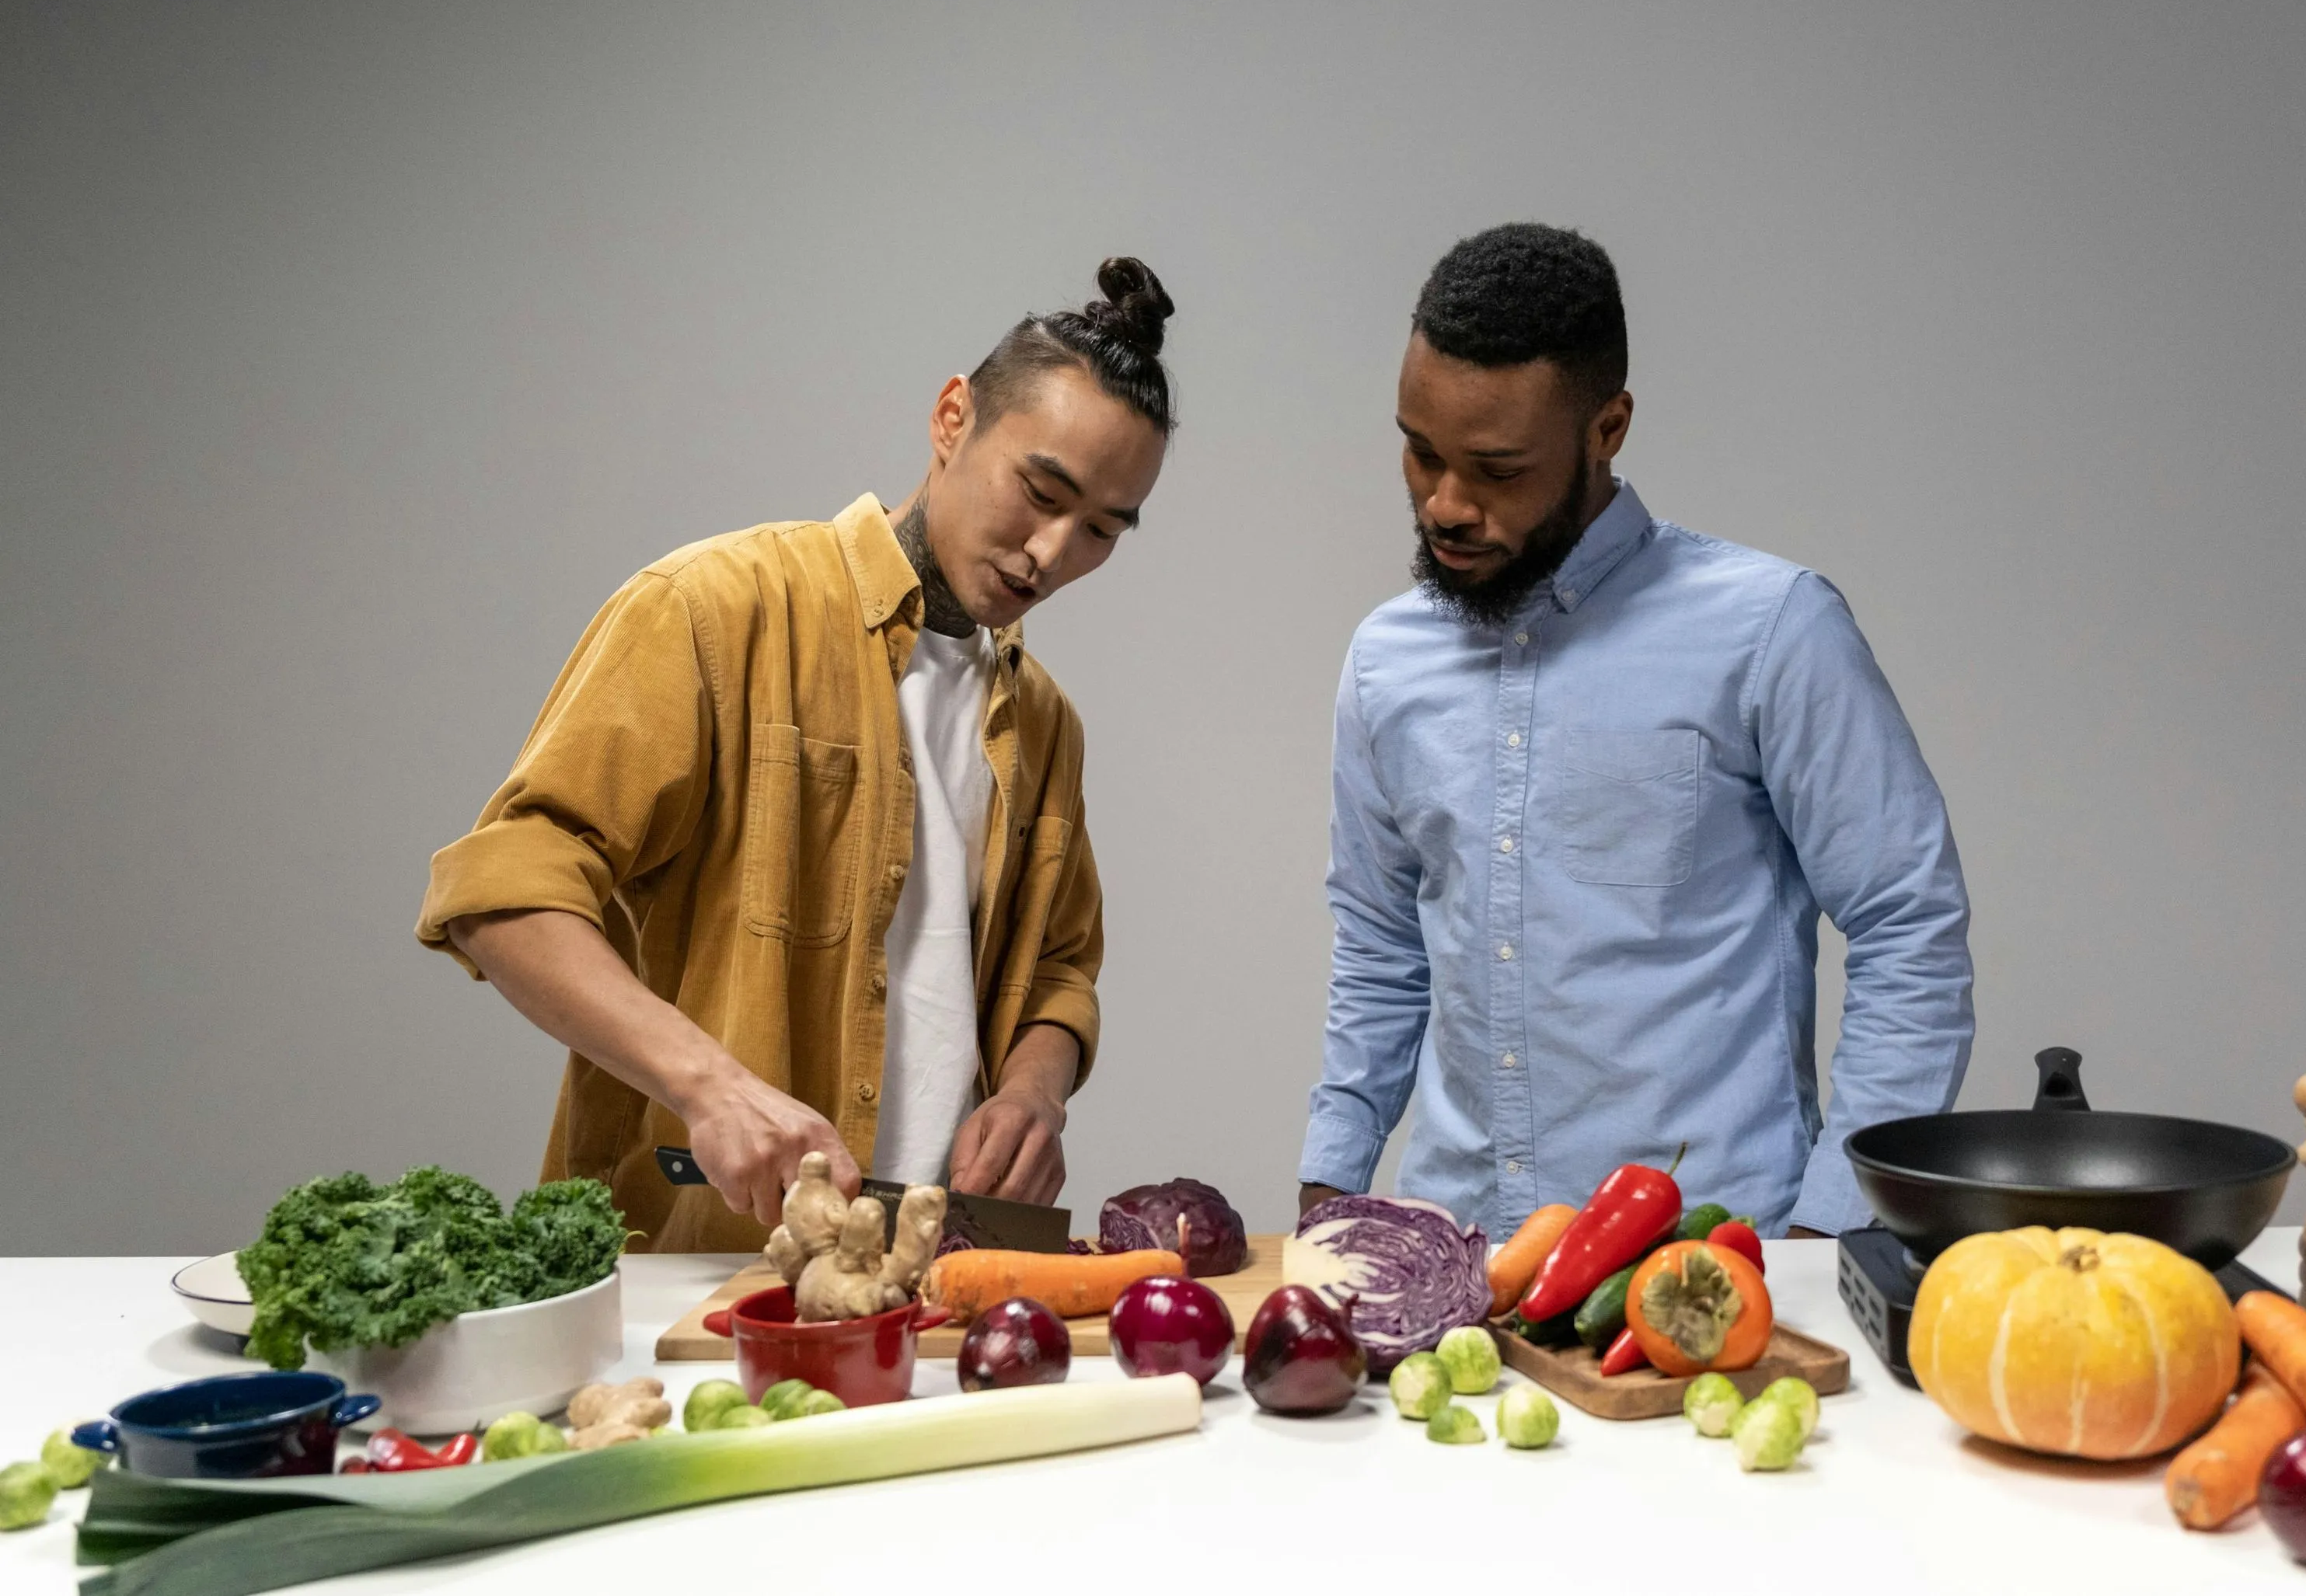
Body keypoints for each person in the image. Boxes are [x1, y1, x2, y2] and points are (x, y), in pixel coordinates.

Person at [418, 259, 1177, 1253]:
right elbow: (502, 892)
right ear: (953, 418)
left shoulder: (1041, 721)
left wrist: (1037, 1091)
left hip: (942, 1270)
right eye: (1041, 492)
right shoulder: (710, 609)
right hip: (705, 1269)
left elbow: (1058, 968)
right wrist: (710, 1086)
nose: (1052, 552)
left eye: (1101, 530)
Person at [1296, 225, 1972, 1240]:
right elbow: (1385, 941)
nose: (1445, 504)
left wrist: (1830, 1230)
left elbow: (1908, 923)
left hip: (1712, 1262)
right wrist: (1330, 1189)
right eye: (1420, 451)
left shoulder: (1772, 630)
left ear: (1607, 429)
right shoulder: (1387, 659)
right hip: (1466, 1262)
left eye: (1496, 468)